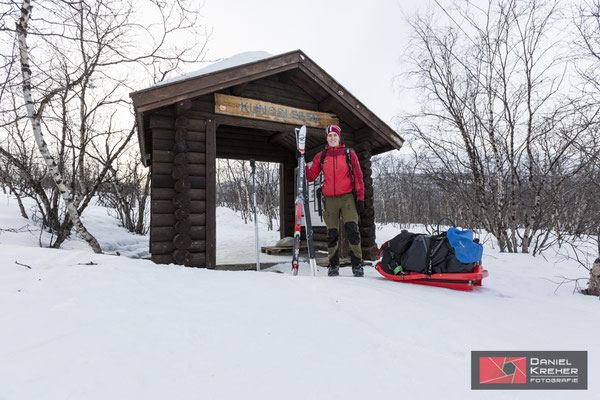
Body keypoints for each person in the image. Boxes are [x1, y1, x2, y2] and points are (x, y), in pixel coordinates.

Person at [305, 124, 365, 277]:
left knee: (352, 230)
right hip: (329, 199)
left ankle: (357, 265)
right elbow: (311, 176)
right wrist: (303, 163)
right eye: (329, 135)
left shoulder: (349, 153)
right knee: (332, 233)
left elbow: (358, 177)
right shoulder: (321, 156)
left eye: (335, 135)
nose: (332, 138)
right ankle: (333, 265)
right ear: (327, 138)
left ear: (339, 137)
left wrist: (360, 198)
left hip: (347, 197)